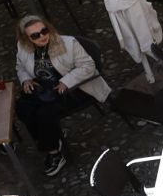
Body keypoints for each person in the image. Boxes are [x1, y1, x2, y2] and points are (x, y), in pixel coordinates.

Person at [12, 14, 105, 176]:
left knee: (44, 113)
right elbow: (20, 66)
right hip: (44, 88)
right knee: (22, 108)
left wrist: (66, 81)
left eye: (44, 31)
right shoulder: (23, 46)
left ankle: (54, 152)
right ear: (26, 39)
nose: (42, 36)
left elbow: (88, 66)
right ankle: (50, 139)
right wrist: (26, 79)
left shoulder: (68, 43)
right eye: (35, 35)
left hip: (74, 89)